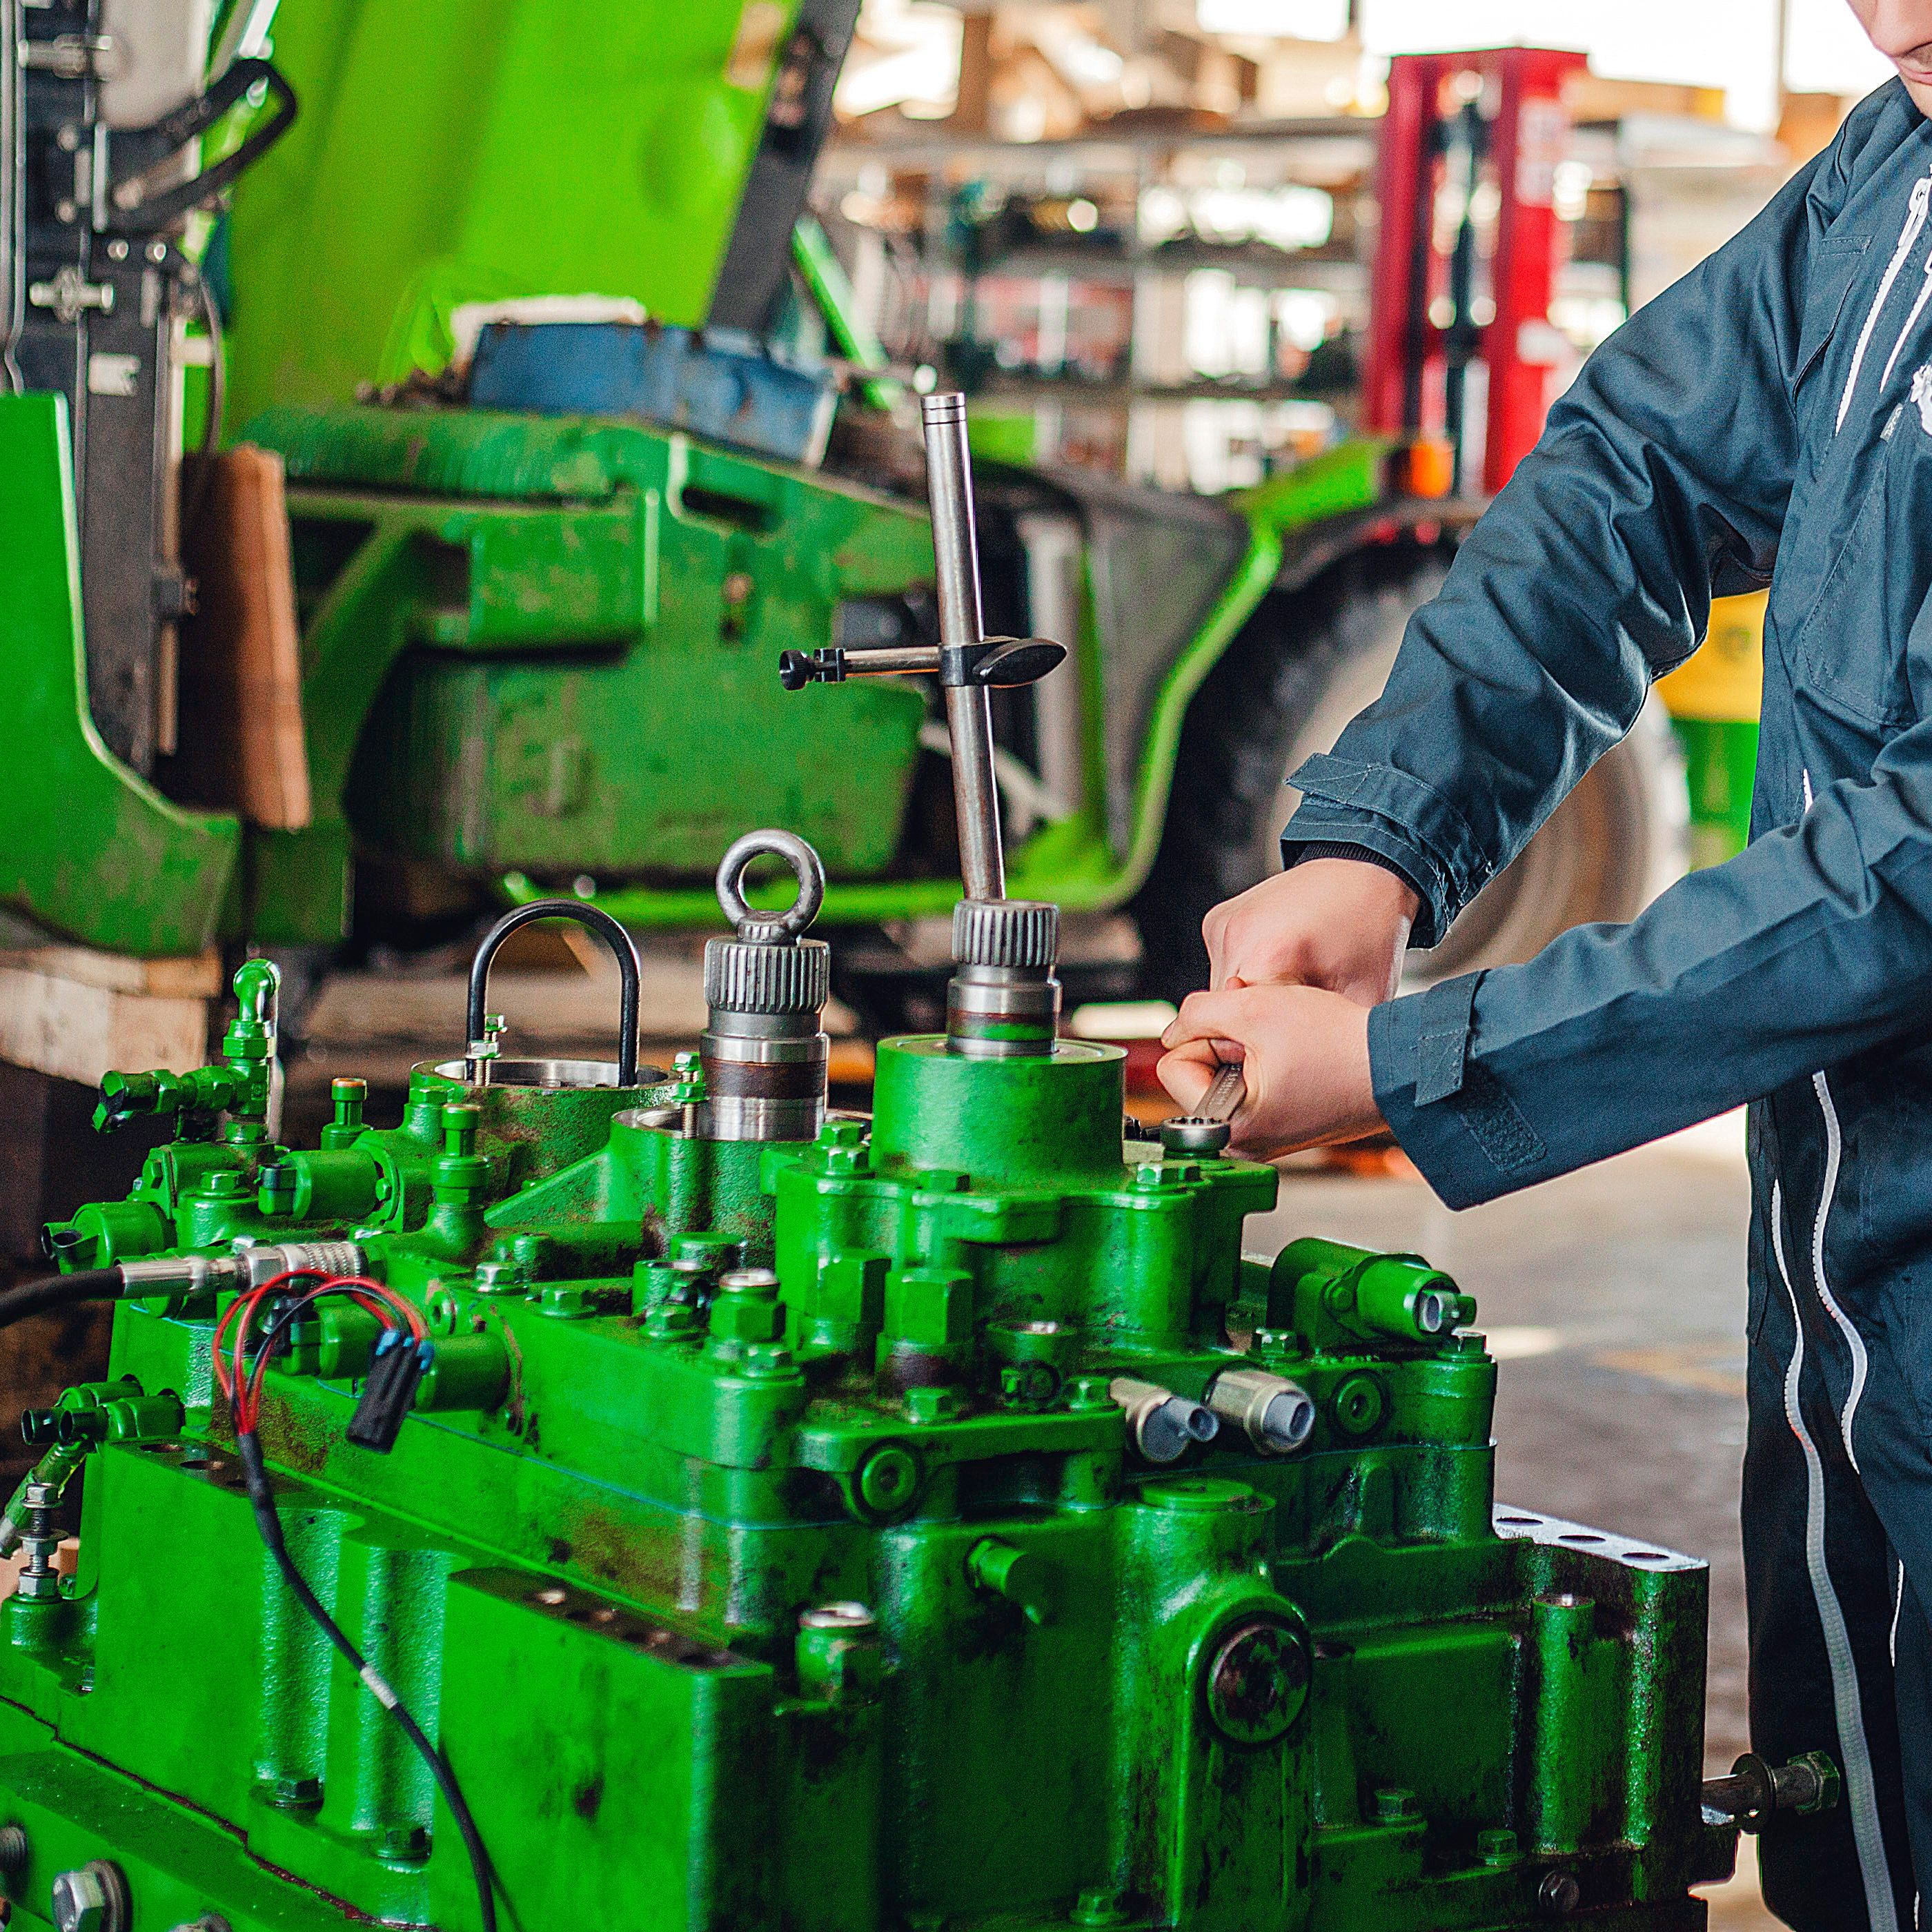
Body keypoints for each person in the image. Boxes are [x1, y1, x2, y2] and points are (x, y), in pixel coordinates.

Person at [1156, 10, 1932, 1929]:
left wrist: (1418, 1068)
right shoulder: (1893, 174)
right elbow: (1640, 473)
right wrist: (1376, 841)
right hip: (1858, 1295)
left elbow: (1910, 871)